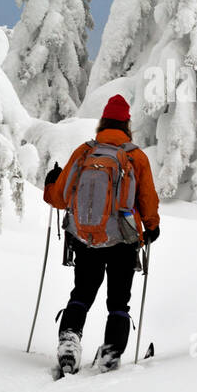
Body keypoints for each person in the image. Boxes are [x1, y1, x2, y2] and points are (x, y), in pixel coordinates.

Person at [43, 94, 160, 374]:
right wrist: (152, 227)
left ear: (103, 123)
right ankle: (111, 352)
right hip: (123, 240)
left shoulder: (84, 152)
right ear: (127, 124)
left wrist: (50, 183)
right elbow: (147, 199)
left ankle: (69, 341)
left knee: (82, 292)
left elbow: (59, 197)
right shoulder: (136, 156)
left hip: (85, 238)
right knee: (118, 301)